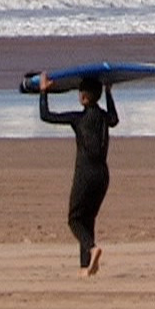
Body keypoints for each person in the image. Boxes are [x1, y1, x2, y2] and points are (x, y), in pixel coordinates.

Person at [38, 74, 119, 276]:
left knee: (74, 219)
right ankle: (86, 266)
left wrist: (43, 91)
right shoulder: (104, 118)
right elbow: (115, 119)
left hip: (86, 173)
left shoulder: (79, 118)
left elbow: (46, 116)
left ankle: (92, 249)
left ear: (83, 97)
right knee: (88, 218)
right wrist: (109, 93)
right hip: (103, 175)